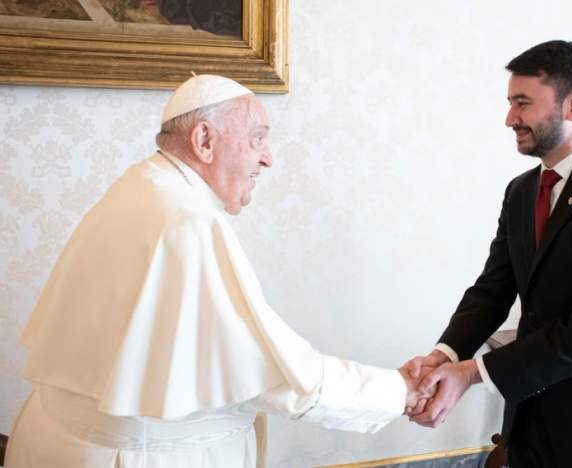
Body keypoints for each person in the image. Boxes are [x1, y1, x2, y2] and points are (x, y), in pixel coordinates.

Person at [6, 74, 431, 468]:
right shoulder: (187, 222)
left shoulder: (140, 185)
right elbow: (278, 375)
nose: (267, 159)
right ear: (204, 140)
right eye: (257, 139)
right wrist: (398, 391)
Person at [403, 40, 572, 468]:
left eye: (522, 103)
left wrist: (473, 374)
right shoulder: (520, 192)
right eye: (511, 103)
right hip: (534, 424)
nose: (510, 118)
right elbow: (492, 289)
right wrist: (445, 356)